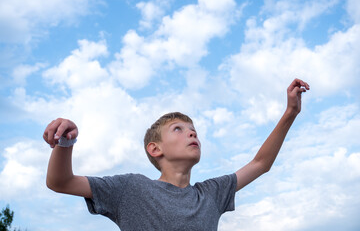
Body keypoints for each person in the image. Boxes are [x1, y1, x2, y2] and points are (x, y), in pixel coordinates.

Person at [44, 78, 310, 230]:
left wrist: (290, 113)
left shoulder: (211, 194)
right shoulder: (131, 189)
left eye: (193, 130)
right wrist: (65, 144)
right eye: (179, 129)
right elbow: (60, 182)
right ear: (155, 149)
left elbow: (261, 163)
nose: (192, 134)